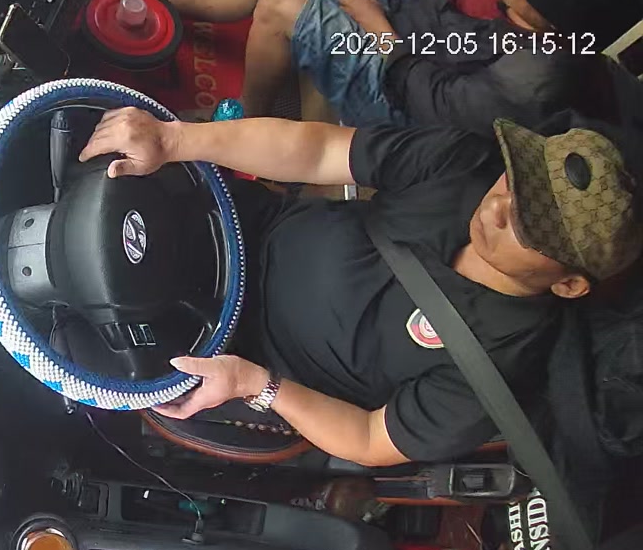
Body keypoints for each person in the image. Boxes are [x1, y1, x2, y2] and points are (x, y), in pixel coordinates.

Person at [78, 107, 640, 465]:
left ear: (568, 284)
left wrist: (254, 384)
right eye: (515, 181)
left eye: (528, 225)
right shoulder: (464, 165)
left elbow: (370, 439)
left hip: (229, 351)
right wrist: (176, 139)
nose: (497, 207)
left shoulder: (501, 366)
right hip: (235, 227)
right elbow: (321, 151)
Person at [157, 0, 641, 135]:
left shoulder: (533, 78)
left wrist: (379, 30)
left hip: (398, 94)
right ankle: (144, 2)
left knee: (283, 3)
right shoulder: (523, 18)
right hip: (408, 30)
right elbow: (444, 14)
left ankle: (245, 122)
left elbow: (433, 103)